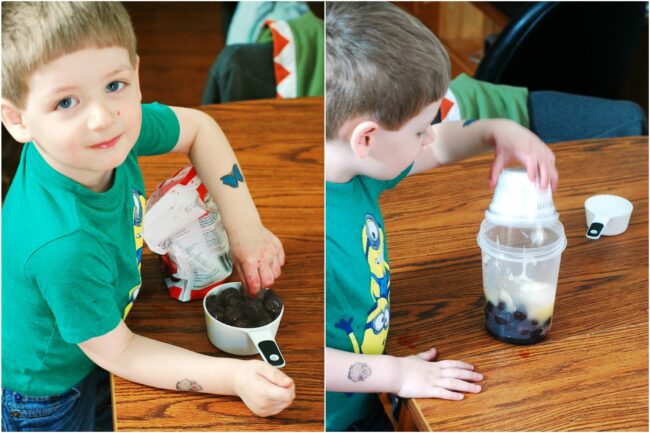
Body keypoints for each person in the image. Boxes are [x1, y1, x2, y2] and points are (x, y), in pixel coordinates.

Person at [1, 3, 294, 431]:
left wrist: (245, 226)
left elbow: (199, 128)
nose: (102, 118)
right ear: (18, 119)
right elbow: (119, 353)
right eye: (66, 101)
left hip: (98, 324)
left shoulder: (112, 134)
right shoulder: (62, 245)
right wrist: (235, 377)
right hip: (51, 391)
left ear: (136, 75)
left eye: (115, 84)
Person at [325, 2, 559, 431]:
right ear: (367, 138)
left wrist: (498, 130)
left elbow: (441, 146)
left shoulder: (355, 169)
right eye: (420, 128)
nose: (429, 136)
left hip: (370, 392)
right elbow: (299, 355)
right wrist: (397, 374)